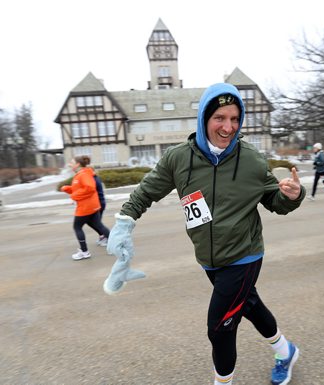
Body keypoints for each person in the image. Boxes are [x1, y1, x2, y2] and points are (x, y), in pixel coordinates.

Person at [103, 83, 305, 385]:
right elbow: (146, 191)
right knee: (249, 305)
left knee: (219, 327)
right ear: (203, 119)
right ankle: (285, 351)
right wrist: (124, 223)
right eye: (220, 118)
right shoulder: (178, 158)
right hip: (209, 258)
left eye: (235, 119)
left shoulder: (250, 159)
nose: (228, 127)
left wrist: (291, 196)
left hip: (244, 255)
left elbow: (274, 202)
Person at [60, 155, 110, 260]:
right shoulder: (82, 174)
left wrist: (74, 196)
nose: (70, 164)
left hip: (85, 207)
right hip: (92, 206)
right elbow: (80, 188)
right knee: (98, 226)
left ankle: (84, 251)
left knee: (77, 227)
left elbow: (90, 188)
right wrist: (68, 189)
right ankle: (118, 244)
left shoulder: (83, 174)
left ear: (77, 164)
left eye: (72, 162)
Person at [93, 172, 108, 246]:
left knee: (97, 223)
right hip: (99, 203)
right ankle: (103, 236)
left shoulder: (93, 179)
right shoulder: (95, 178)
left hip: (99, 204)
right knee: (96, 223)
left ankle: (107, 237)